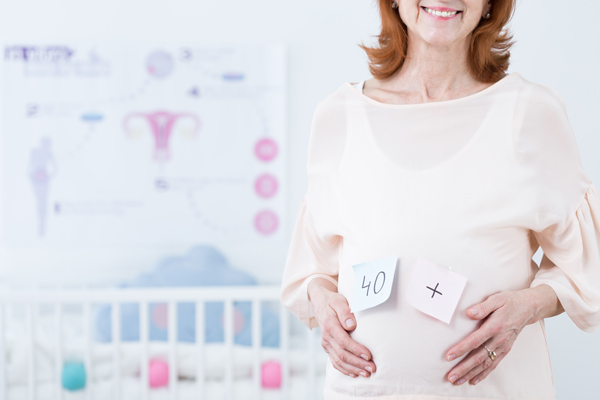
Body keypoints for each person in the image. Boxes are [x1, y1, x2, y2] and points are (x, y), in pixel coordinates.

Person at [279, 0, 600, 399]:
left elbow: (588, 264)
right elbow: (312, 269)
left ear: (489, 5)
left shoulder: (530, 112)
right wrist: (321, 301)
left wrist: (529, 305)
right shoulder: (338, 115)